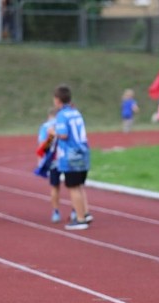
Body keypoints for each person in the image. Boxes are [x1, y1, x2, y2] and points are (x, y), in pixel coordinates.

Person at [50, 84, 92, 231]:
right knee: (79, 185)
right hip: (83, 152)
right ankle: (84, 213)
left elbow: (64, 134)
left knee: (73, 187)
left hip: (71, 154)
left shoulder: (61, 115)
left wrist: (53, 132)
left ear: (57, 100)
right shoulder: (76, 112)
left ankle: (80, 219)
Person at [35, 107, 62, 223]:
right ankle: (75, 210)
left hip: (53, 160)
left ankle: (56, 211)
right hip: (66, 158)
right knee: (73, 187)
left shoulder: (45, 126)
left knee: (55, 186)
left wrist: (40, 160)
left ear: (49, 116)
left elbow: (43, 145)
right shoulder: (63, 123)